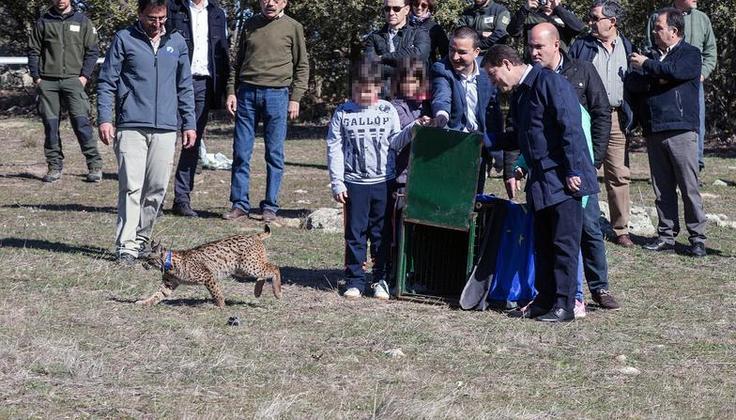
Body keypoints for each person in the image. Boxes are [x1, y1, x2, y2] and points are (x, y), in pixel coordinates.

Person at [484, 44, 599, 322]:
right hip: (541, 180)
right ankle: (545, 299)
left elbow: (570, 126)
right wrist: (485, 142)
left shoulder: (550, 82)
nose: (493, 82)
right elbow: (522, 135)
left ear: (507, 64)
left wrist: (574, 171)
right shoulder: (521, 94)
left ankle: (565, 305)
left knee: (564, 244)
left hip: (563, 177)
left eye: (493, 74)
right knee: (543, 244)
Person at [526, 23, 620, 313]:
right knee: (556, 234)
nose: (533, 52)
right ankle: (559, 294)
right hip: (551, 170)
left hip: (580, 165)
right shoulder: (534, 78)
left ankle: (599, 287)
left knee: (589, 227)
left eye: (538, 46)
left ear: (556, 45)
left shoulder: (582, 70)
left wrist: (593, 159)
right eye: (530, 46)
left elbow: (601, 112)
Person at [97, 0, 197, 265]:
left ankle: (142, 240)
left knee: (156, 188)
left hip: (166, 127)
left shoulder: (177, 42)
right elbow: (107, 81)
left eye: (162, 18)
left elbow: (184, 86)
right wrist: (105, 119)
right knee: (131, 186)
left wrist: (189, 123)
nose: (157, 24)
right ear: (140, 14)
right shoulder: (124, 39)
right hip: (131, 125)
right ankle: (126, 246)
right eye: (152, 18)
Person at [628, 8, 707, 257]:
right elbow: (634, 82)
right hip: (654, 129)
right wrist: (656, 74)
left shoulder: (690, 54)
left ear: (674, 31)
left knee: (688, 187)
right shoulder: (650, 55)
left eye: (659, 27)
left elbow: (677, 72)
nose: (654, 31)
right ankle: (666, 235)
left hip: (681, 129)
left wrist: (650, 68)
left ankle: (697, 239)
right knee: (661, 188)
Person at [326, 57, 404, 300]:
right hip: (354, 184)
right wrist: (337, 181)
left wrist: (413, 131)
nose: (364, 94)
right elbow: (334, 147)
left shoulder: (387, 110)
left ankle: (381, 278)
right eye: (359, 89)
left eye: (369, 89)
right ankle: (355, 280)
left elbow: (396, 141)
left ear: (379, 88)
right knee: (355, 233)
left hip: (383, 182)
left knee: (382, 234)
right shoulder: (343, 112)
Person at [223, 0, 309, 223]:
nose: (270, 3)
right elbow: (237, 63)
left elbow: (302, 65)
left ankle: (270, 206)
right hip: (247, 94)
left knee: (274, 154)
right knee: (241, 152)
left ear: (285, 2)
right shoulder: (249, 24)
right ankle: (239, 204)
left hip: (277, 95)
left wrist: (296, 98)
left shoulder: (294, 27)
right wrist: (231, 91)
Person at [569, 0, 637, 248]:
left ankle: (621, 229)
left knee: (618, 173)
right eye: (590, 17)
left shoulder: (628, 47)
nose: (590, 22)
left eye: (595, 18)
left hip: (617, 117)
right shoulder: (581, 46)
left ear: (612, 22)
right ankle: (577, 222)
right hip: (587, 117)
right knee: (582, 168)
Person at [165, 0, 230, 217]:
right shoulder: (172, 8)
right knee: (165, 141)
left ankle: (182, 199)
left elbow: (223, 51)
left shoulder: (218, 13)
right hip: (172, 83)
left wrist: (226, 89)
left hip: (203, 84)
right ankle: (153, 199)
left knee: (192, 142)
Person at [28, 0, 103, 183]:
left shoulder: (83, 21)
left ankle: (94, 165)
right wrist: (37, 77)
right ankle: (54, 166)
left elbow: (92, 51)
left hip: (73, 81)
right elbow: (33, 51)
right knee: (50, 126)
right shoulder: (43, 22)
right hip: (48, 82)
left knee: (81, 123)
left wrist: (84, 76)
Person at [645, 0, 716, 173]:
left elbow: (710, 52)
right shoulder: (657, 17)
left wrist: (701, 74)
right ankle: (666, 168)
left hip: (692, 84)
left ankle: (695, 167)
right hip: (663, 83)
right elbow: (648, 49)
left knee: (696, 124)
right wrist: (659, 73)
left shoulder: (702, 18)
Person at [429, 26, 503, 191]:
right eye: (451, 50)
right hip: (452, 145)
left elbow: (494, 113)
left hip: (479, 145)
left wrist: (498, 153)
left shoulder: (488, 71)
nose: (455, 57)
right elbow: (442, 95)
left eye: (462, 52)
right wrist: (441, 116)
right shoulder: (441, 69)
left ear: (476, 52)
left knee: (475, 196)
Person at [364, 0, 431, 81]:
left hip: (412, 91)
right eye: (387, 9)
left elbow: (420, 56)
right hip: (384, 91)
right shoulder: (374, 37)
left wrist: (383, 57)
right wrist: (406, 70)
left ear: (406, 10)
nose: (391, 13)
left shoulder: (419, 33)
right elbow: (370, 67)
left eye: (396, 8)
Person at [507, 0, 585, 54]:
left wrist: (558, 8)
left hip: (559, 64)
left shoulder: (565, 18)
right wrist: (525, 9)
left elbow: (579, 29)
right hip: (534, 63)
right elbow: (513, 31)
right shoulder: (530, 18)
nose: (547, 2)